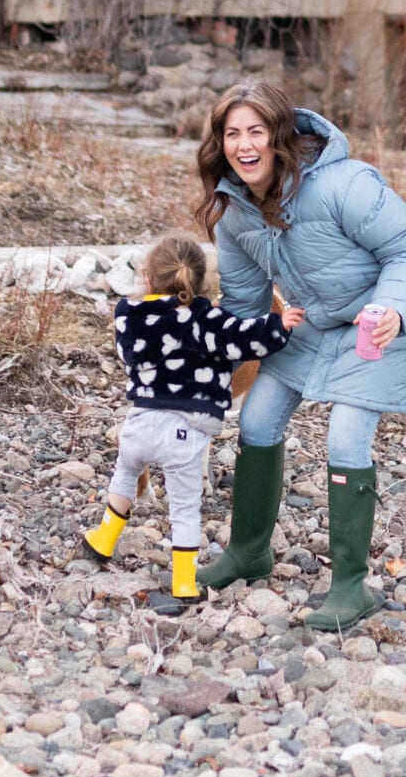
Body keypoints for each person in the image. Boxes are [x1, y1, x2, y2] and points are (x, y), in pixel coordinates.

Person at [194, 78, 406, 631]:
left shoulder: (344, 184)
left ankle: (351, 585)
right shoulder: (235, 211)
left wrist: (393, 310)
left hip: (383, 318)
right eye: (232, 133)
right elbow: (244, 303)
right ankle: (248, 552)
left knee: (344, 437)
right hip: (311, 319)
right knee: (256, 419)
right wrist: (208, 360)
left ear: (280, 136)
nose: (243, 144)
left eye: (256, 130)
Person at [81, 233, 303, 614]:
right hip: (184, 433)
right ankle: (184, 581)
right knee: (184, 510)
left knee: (122, 478)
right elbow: (244, 341)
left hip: (138, 423)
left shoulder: (128, 317)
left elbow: (127, 354)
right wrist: (280, 326)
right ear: (201, 285)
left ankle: (102, 540)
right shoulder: (206, 320)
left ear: (148, 281)